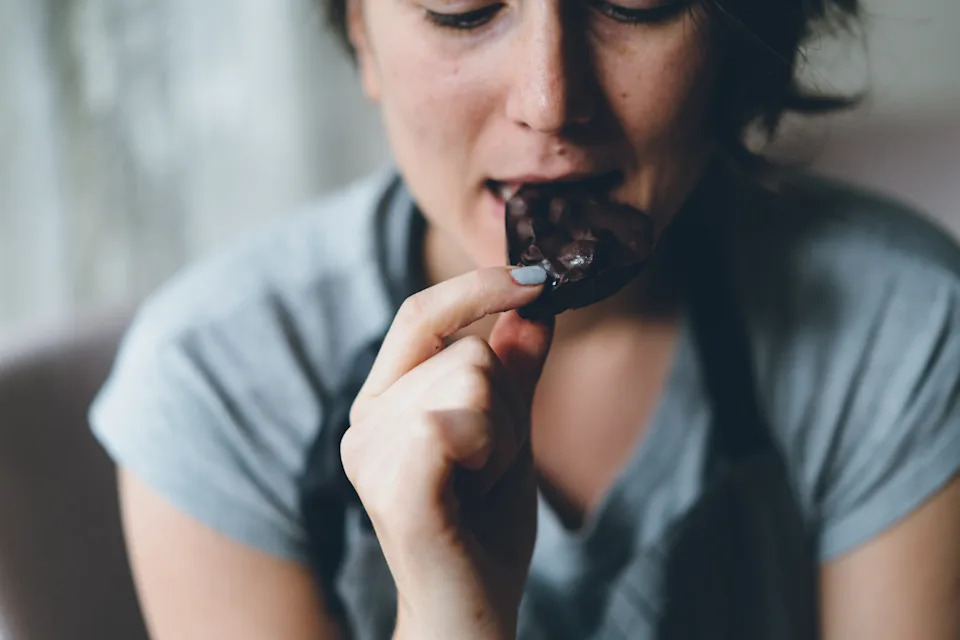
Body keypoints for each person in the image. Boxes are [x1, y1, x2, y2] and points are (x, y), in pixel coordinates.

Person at [89, 0, 960, 638]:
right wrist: (447, 616)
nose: (550, 100)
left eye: (637, 5)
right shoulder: (215, 383)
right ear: (361, 31)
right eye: (463, 10)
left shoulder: (906, 329)